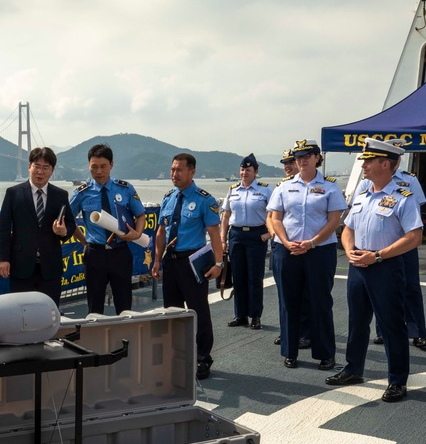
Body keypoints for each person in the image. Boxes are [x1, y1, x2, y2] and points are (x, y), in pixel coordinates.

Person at [327, 139, 423, 402]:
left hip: (385, 266)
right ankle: (353, 368)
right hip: (358, 264)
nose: (364, 164)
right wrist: (349, 251)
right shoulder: (362, 193)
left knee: (392, 324)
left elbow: (414, 237)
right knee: (357, 321)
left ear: (385, 164)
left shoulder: (403, 198)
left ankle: (397, 380)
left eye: (369, 160)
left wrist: (378, 255)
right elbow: (348, 228)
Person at [267, 139, 345, 370]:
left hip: (319, 251)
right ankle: (290, 351)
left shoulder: (330, 186)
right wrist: (286, 241)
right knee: (288, 303)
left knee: (320, 302)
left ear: (317, 158)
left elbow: (334, 220)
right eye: (298, 156)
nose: (301, 160)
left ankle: (325, 353)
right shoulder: (284, 186)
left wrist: (311, 243)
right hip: (287, 250)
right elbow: (275, 218)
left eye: (307, 155)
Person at [151, 153, 223, 380]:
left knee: (197, 311)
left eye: (179, 170)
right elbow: (161, 232)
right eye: (172, 170)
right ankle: (175, 356)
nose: (174, 174)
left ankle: (202, 357)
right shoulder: (168, 198)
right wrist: (157, 259)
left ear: (192, 172)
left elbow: (214, 235)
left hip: (193, 262)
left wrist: (219, 263)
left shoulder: (205, 200)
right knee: (172, 312)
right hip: (171, 263)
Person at [359, 139, 426, 349]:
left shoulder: (409, 180)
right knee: (380, 291)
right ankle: (383, 331)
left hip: (403, 245)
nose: (397, 160)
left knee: (411, 287)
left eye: (398, 156)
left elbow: (415, 209)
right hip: (379, 246)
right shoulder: (366, 182)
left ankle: (418, 332)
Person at [70, 143, 146, 315]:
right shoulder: (81, 193)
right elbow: (68, 220)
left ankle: (126, 340)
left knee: (124, 304)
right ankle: (96, 340)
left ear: (111, 165)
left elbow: (140, 214)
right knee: (94, 306)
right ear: (88, 166)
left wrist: (138, 233)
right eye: (94, 167)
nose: (98, 171)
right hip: (95, 254)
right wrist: (84, 241)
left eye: (103, 166)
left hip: (120, 252)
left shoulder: (125, 189)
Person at [0, 147, 77, 307]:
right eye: (37, 166)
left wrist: (63, 231)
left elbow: (71, 224)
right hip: (21, 266)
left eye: (45, 168)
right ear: (29, 167)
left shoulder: (60, 195)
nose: (40, 172)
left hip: (50, 267)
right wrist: (3, 259)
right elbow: (4, 229)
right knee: (21, 313)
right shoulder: (13, 193)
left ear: (52, 170)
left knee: (49, 312)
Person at [220, 154, 273, 329]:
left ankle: (255, 316)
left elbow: (274, 215)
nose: (244, 173)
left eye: (248, 170)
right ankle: (240, 315)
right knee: (238, 277)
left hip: (256, 236)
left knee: (255, 278)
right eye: (242, 169)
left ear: (256, 172)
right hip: (236, 235)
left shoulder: (266, 190)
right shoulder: (233, 190)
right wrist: (222, 239)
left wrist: (268, 235)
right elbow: (226, 216)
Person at [268, 150, 312, 349]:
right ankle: (287, 332)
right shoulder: (282, 187)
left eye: (290, 163)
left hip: (303, 247)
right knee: (284, 293)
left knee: (304, 294)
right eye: (284, 163)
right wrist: (277, 238)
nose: (287, 167)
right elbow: (271, 217)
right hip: (282, 245)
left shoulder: (310, 186)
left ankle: (305, 332)